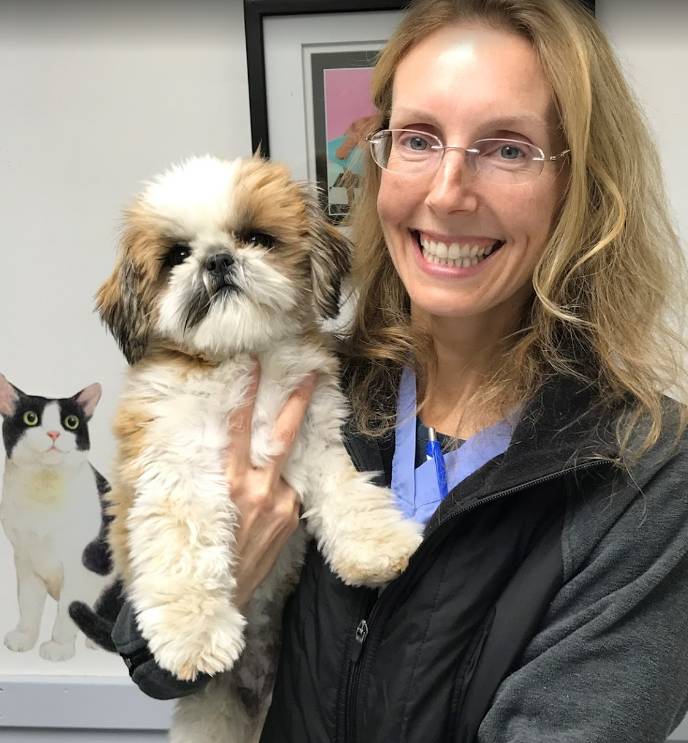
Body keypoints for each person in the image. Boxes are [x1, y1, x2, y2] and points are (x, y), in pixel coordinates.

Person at [76, 0, 688, 740]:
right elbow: (149, 652)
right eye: (420, 138)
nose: (447, 191)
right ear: (379, 158)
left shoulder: (646, 470)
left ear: (581, 186)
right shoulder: (323, 382)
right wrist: (218, 577)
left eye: (507, 148)